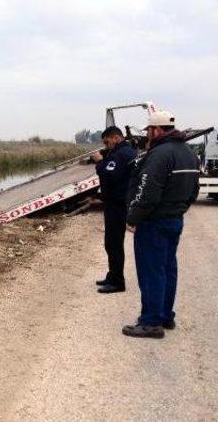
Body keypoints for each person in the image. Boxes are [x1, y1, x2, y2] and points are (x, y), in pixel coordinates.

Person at [122, 110, 200, 339]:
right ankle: (165, 315)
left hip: (153, 222)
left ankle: (150, 322)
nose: (147, 135)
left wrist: (133, 218)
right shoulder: (189, 153)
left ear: (156, 130)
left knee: (152, 271)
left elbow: (147, 191)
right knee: (167, 268)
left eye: (148, 130)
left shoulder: (159, 154)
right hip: (174, 220)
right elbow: (194, 191)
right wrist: (179, 210)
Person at [91, 126, 137, 293]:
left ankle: (117, 282)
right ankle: (112, 275)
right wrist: (104, 158)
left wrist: (99, 162)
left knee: (114, 243)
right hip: (114, 203)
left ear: (116, 138)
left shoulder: (122, 154)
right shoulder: (120, 152)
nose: (105, 145)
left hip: (118, 204)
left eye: (107, 141)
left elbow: (109, 175)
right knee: (111, 243)